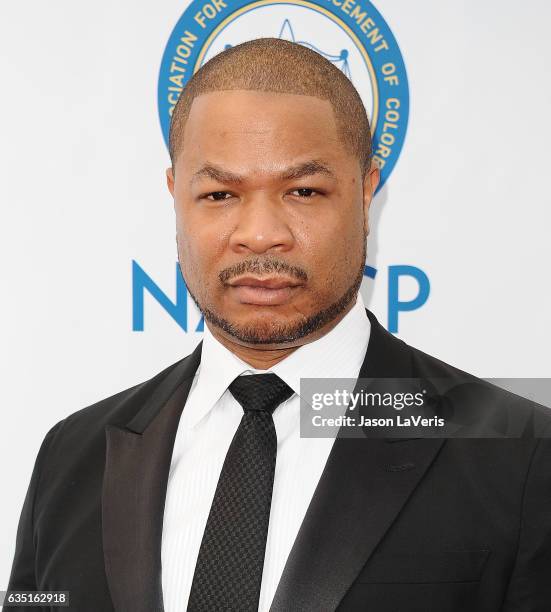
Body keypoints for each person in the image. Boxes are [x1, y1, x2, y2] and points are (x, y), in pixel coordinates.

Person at [5, 38, 551, 612]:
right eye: (219, 194)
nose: (260, 233)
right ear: (175, 195)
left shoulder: (521, 455)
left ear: (367, 190)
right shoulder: (74, 454)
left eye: (303, 191)